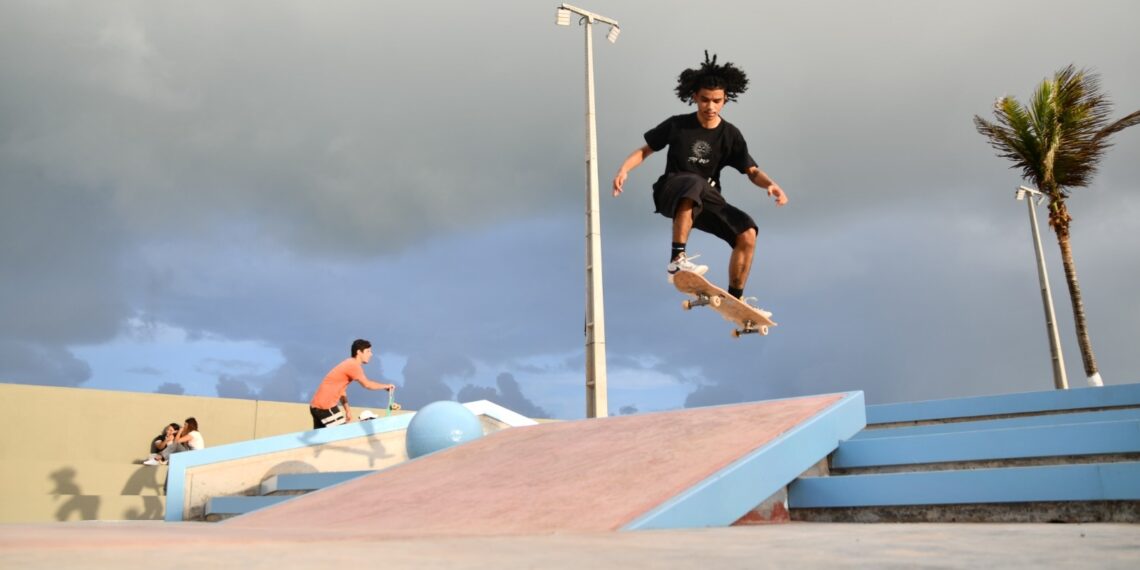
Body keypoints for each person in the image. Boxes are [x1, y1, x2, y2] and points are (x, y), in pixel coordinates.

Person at [612, 51, 788, 302]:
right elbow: (645, 150)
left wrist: (771, 185)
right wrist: (624, 169)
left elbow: (751, 170)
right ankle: (677, 259)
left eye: (717, 101)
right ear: (695, 97)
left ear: (725, 100)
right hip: (671, 190)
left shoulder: (730, 135)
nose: (710, 107)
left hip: (706, 197)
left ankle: (735, 299)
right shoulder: (677, 125)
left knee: (747, 231)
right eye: (705, 100)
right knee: (693, 182)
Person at [309, 339, 395, 429]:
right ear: (359, 352)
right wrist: (386, 386)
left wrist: (347, 410)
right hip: (325, 407)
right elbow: (367, 384)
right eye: (368, 351)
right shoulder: (353, 365)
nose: (371, 354)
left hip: (315, 407)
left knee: (321, 441)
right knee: (341, 435)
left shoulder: (348, 363)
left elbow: (341, 391)